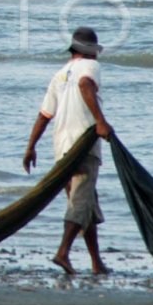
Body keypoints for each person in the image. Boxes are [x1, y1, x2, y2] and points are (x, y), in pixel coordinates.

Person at [22, 26, 113, 276]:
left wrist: (31, 147)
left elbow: (44, 115)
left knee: (85, 205)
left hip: (62, 148)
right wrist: (101, 122)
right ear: (90, 52)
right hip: (83, 145)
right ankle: (63, 252)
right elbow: (85, 86)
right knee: (80, 203)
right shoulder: (90, 68)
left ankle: (96, 263)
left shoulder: (59, 74)